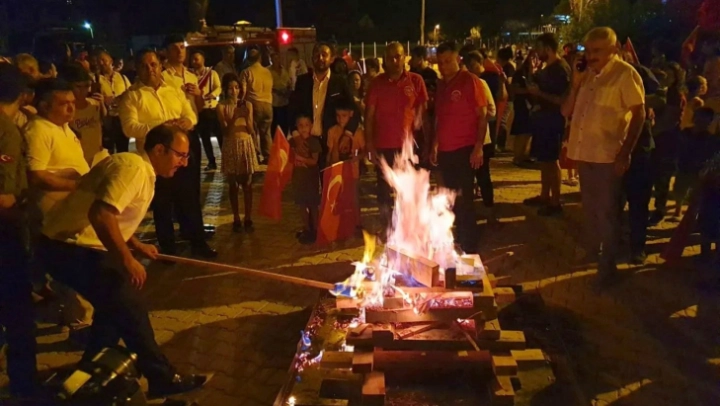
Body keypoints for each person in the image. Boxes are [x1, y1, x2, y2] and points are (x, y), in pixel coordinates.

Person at [37, 124, 211, 399]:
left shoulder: (135, 167)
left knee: (113, 309)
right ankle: (162, 377)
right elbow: (101, 215)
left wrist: (136, 244)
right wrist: (127, 259)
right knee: (129, 306)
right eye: (180, 155)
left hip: (69, 245)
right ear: (159, 149)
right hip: (69, 246)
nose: (185, 163)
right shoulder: (134, 169)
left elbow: (111, 212)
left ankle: (89, 371)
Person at [562, 27, 646, 287]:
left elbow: (639, 114)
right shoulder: (587, 75)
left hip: (608, 156)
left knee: (608, 213)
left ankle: (607, 267)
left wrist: (625, 153)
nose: (591, 56)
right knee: (590, 210)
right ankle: (592, 252)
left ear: (614, 49)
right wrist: (575, 83)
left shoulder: (624, 74)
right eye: (588, 50)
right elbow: (566, 111)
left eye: (597, 50)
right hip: (585, 152)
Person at [119, 48, 216, 258]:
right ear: (137, 69)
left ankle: (198, 243)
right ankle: (168, 250)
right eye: (144, 66)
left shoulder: (172, 90)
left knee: (189, 199)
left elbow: (190, 113)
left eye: (153, 64)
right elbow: (129, 127)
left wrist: (187, 121)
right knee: (162, 205)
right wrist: (161, 128)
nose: (150, 70)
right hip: (157, 161)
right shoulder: (132, 97)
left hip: (180, 156)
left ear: (160, 65)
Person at [0, 64, 39, 399]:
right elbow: (3, 196)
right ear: (22, 95)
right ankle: (25, 388)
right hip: (6, 236)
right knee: (18, 316)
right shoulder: (7, 131)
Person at [431, 42, 489, 254]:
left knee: (465, 200)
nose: (443, 66)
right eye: (440, 62)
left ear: (457, 59)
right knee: (451, 198)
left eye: (447, 61)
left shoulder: (470, 81)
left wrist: (478, 147)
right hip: (445, 152)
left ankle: (470, 246)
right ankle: (456, 240)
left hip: (465, 149)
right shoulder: (441, 85)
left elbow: (482, 115)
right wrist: (435, 143)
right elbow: (439, 118)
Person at [365, 42, 430, 229]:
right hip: (383, 145)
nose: (394, 61)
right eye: (390, 57)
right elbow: (369, 116)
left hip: (408, 147)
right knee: (384, 190)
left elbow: (424, 115)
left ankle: (406, 226)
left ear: (404, 57)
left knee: (407, 189)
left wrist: (428, 143)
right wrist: (369, 145)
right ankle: (387, 226)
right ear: (384, 60)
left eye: (398, 56)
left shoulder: (416, 81)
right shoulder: (376, 83)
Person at [290, 42, 359, 169]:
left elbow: (354, 110)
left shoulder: (340, 82)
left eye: (324, 55)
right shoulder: (303, 81)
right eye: (317, 55)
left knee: (329, 180)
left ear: (331, 59)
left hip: (331, 142)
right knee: (306, 180)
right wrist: (296, 135)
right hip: (307, 141)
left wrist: (347, 134)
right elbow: (292, 109)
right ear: (312, 58)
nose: (320, 58)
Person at [526, 33, 571, 217]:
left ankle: (555, 201)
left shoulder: (560, 70)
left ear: (548, 48)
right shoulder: (548, 67)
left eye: (539, 48)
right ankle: (545, 196)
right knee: (544, 160)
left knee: (552, 161)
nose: (536, 51)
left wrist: (539, 94)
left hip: (553, 121)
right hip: (543, 120)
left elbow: (562, 100)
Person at [217, 73, 259, 232]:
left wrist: (247, 118)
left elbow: (251, 130)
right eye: (230, 88)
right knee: (233, 184)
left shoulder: (247, 105)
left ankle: (248, 217)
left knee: (247, 183)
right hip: (231, 144)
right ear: (225, 89)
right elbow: (225, 131)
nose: (234, 91)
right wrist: (234, 116)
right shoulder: (221, 107)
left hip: (245, 143)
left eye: (236, 87)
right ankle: (236, 217)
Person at [671, 107, 720, 219]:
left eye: (705, 119)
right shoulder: (685, 133)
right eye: (699, 118)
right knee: (679, 190)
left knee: (696, 194)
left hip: (699, 170)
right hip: (684, 167)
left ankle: (691, 216)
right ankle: (678, 210)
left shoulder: (710, 139)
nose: (701, 122)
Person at [62, 63, 108, 165]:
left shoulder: (94, 104)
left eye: (86, 86)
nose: (83, 91)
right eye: (78, 87)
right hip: (78, 161)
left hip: (97, 158)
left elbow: (106, 123)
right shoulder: (67, 110)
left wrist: (102, 105)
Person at [290, 114, 321, 244]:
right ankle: (307, 228)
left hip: (311, 178)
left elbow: (314, 161)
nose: (303, 128)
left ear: (311, 126)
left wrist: (301, 159)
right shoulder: (293, 142)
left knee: (313, 204)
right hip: (298, 178)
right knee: (302, 204)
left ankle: (316, 229)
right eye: (300, 125)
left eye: (306, 125)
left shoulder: (314, 142)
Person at [190, 50, 222, 171]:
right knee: (205, 138)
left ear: (203, 60)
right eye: (192, 59)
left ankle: (226, 159)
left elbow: (218, 88)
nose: (194, 62)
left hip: (211, 109)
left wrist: (211, 95)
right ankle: (211, 162)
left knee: (219, 136)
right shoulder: (190, 75)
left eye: (196, 59)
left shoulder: (211, 73)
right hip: (200, 110)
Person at [240, 47, 274, 163]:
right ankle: (268, 155)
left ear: (249, 59)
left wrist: (241, 103)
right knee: (266, 132)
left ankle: (255, 155)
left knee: (253, 131)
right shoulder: (267, 72)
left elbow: (243, 91)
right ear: (260, 58)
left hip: (253, 103)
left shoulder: (246, 72)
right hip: (268, 104)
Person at [95, 49, 132, 154]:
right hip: (106, 120)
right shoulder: (96, 79)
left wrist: (121, 98)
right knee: (108, 151)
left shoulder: (122, 78)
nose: (101, 63)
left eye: (104, 60)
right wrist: (104, 99)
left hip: (121, 119)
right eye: (99, 60)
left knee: (123, 150)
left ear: (111, 61)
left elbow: (130, 93)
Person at [510, 51, 539, 166]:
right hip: (522, 106)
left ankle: (524, 155)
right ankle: (517, 156)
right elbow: (515, 89)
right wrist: (528, 91)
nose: (534, 61)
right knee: (522, 131)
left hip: (532, 106)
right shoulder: (520, 73)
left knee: (529, 131)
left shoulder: (536, 74)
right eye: (532, 58)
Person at [270, 51, 292, 136]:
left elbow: (289, 83)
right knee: (275, 125)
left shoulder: (284, 70)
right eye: (274, 58)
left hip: (284, 102)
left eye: (278, 58)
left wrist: (288, 91)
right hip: (274, 102)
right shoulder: (268, 71)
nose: (276, 60)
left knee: (284, 124)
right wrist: (277, 91)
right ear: (271, 59)